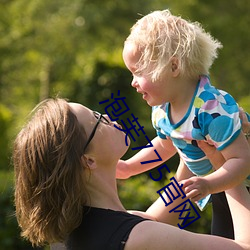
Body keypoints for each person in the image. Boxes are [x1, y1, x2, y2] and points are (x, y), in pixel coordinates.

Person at [13, 98, 250, 250]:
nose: (108, 117)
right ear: (88, 160)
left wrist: (191, 135)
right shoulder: (138, 238)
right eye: (98, 120)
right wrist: (227, 165)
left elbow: (156, 219)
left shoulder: (78, 233)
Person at [119, 9, 250, 239]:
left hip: (239, 185)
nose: (133, 82)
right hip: (213, 183)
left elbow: (242, 160)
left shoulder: (211, 109)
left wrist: (208, 184)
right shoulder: (162, 109)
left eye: (138, 72)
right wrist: (129, 167)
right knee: (152, 222)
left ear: (173, 67)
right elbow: (165, 145)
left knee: (230, 241)